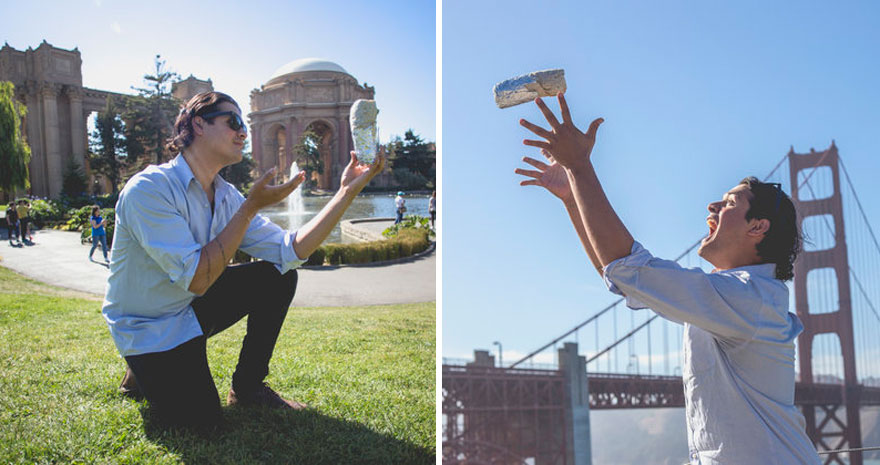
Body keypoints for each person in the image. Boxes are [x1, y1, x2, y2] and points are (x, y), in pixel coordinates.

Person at [515, 93, 820, 464]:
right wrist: (572, 195)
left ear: (758, 227)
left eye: (728, 203)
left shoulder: (747, 299)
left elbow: (628, 269)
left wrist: (581, 168)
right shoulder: (735, 298)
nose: (712, 206)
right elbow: (622, 276)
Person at [103, 91, 385, 429]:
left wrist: (346, 191)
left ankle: (248, 387)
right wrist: (250, 207)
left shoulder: (226, 195)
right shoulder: (149, 189)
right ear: (199, 125)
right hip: (149, 325)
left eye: (243, 124)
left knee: (279, 275)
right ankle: (142, 365)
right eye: (233, 122)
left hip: (189, 308)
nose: (242, 132)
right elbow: (198, 278)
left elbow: (290, 249)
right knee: (203, 425)